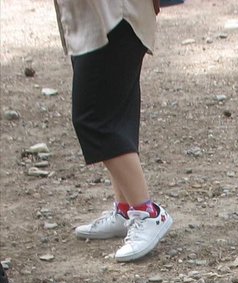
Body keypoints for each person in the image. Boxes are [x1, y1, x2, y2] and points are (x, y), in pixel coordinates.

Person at [54, 0, 172, 262]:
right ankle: (127, 209)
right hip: (97, 19)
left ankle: (148, 213)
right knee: (115, 111)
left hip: (115, 16)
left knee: (94, 119)